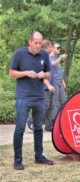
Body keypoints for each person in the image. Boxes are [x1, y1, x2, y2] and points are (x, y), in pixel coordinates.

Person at [9, 31, 54, 170]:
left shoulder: (44, 55)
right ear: (29, 42)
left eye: (40, 43)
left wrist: (43, 75)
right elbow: (11, 73)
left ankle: (39, 156)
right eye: (36, 43)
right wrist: (26, 73)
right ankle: (17, 159)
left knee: (38, 128)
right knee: (20, 128)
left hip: (39, 96)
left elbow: (48, 73)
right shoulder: (19, 53)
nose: (39, 45)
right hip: (23, 97)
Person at [26, 40, 55, 132]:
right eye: (51, 46)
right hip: (44, 87)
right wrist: (49, 85)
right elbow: (41, 74)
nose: (52, 48)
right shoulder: (41, 58)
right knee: (44, 106)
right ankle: (31, 120)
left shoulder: (47, 58)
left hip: (50, 86)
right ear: (47, 47)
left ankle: (48, 126)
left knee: (50, 106)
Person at [49, 42, 67, 124]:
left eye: (60, 48)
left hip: (59, 82)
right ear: (52, 48)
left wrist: (63, 81)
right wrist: (61, 57)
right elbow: (53, 64)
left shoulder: (57, 58)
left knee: (64, 101)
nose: (59, 49)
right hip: (54, 82)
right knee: (55, 102)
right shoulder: (50, 57)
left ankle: (62, 119)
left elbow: (59, 71)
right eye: (57, 48)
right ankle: (53, 121)